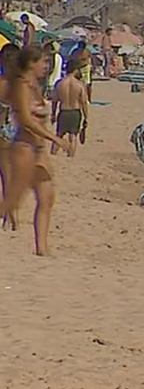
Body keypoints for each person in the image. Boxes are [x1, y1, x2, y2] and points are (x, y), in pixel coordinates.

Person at [0, 46, 73, 255]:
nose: (47, 66)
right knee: (10, 204)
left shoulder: (35, 86)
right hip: (24, 149)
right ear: (31, 63)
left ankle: (42, 248)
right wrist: (55, 139)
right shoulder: (21, 85)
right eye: (43, 62)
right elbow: (24, 119)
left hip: (39, 151)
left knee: (47, 197)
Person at [0, 42, 21, 230]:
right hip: (13, 133)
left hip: (3, 131)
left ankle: (9, 216)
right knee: (8, 177)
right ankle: (11, 215)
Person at [50, 58, 89, 157]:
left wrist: (53, 114)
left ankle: (53, 154)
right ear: (75, 69)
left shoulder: (60, 83)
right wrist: (86, 117)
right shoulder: (79, 84)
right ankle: (70, 156)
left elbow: (54, 101)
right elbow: (84, 102)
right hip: (75, 112)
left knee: (58, 135)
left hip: (63, 111)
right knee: (73, 136)